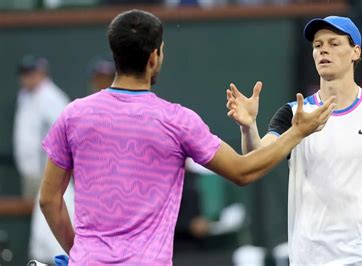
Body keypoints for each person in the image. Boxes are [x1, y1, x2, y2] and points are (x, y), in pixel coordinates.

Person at [38, 9, 336, 264]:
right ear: (155, 56)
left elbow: (49, 200)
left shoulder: (73, 115)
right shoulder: (176, 121)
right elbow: (244, 171)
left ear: (115, 55)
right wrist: (298, 131)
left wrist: (80, 254)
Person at [225, 15, 362, 264]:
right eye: (318, 45)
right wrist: (248, 128)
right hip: (307, 259)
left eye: (333, 43)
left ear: (355, 52)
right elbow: (255, 158)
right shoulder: (293, 114)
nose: (323, 50)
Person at [12, 55, 75, 263]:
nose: (27, 78)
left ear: (42, 72)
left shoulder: (52, 97)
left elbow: (64, 139)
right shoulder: (25, 96)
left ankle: (55, 258)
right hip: (30, 171)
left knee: (52, 209)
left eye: (31, 72)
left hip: (51, 170)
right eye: (24, 73)